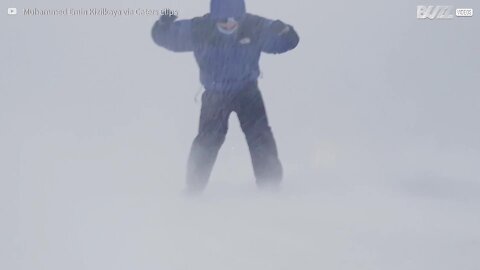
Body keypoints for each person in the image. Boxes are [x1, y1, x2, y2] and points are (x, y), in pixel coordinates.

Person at [152, 0, 299, 192]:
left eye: (233, 22)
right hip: (215, 95)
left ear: (241, 17)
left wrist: (287, 32)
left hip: (248, 92)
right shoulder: (200, 29)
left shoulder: (254, 26)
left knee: (260, 135)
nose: (229, 26)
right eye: (223, 23)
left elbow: (285, 42)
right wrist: (162, 25)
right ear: (214, 19)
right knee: (207, 140)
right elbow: (166, 38)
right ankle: (194, 189)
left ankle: (270, 185)